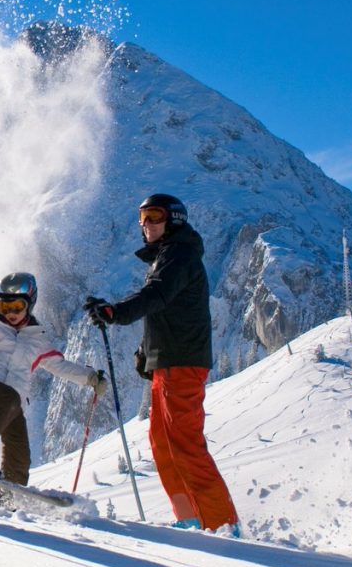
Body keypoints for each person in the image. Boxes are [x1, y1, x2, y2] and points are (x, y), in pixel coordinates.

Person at [84, 193, 239, 534]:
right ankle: (190, 518)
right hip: (169, 361)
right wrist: (146, 353)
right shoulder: (168, 256)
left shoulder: (179, 254)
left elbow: (157, 295)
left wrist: (115, 312)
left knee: (185, 444)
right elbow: (166, 310)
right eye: (142, 217)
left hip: (183, 361)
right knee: (163, 444)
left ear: (174, 220)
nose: (146, 224)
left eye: (154, 216)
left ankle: (223, 524)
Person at [0, 272, 108, 490]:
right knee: (9, 398)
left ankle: (10, 502)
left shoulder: (37, 339)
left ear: (30, 304)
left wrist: (90, 378)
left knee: (20, 453)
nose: (10, 313)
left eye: (16, 306)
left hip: (13, 403)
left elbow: (59, 365)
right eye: (3, 307)